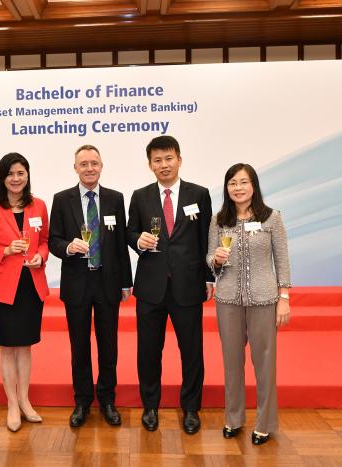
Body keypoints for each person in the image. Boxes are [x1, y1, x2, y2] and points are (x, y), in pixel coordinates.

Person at [126, 135, 214, 434]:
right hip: (151, 286)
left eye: (168, 158)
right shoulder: (140, 196)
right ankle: (150, 406)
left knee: (191, 351)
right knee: (148, 350)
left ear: (179, 159)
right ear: (150, 165)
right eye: (157, 160)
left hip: (188, 285)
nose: (163, 165)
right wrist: (137, 240)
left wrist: (208, 276)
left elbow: (206, 238)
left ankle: (191, 408)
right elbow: (129, 232)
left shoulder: (199, 194)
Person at [48, 144, 133, 428]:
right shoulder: (62, 199)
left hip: (107, 282)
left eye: (94, 163)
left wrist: (126, 281)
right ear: (75, 168)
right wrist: (68, 247)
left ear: (101, 166)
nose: (89, 168)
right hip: (77, 283)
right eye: (83, 164)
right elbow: (53, 240)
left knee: (109, 346)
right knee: (80, 345)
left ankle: (107, 399)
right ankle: (82, 400)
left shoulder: (115, 199)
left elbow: (121, 243)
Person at [207, 163, 291, 446]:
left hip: (264, 300)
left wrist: (284, 299)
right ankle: (234, 419)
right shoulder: (219, 220)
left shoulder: (271, 218)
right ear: (226, 188)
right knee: (232, 363)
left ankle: (265, 423)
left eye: (243, 182)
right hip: (227, 299)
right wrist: (216, 260)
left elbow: (282, 261)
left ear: (254, 186)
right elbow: (210, 260)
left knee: (265, 363)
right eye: (232, 182)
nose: (238, 188)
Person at [0, 152, 49, 433]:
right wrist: (5, 251)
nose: (16, 179)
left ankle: (26, 401)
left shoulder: (39, 206)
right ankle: (11, 404)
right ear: (2, 178)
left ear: (27, 176)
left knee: (25, 345)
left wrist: (40, 257)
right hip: (4, 286)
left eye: (21, 173)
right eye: (10, 174)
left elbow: (44, 242)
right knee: (8, 346)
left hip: (31, 284)